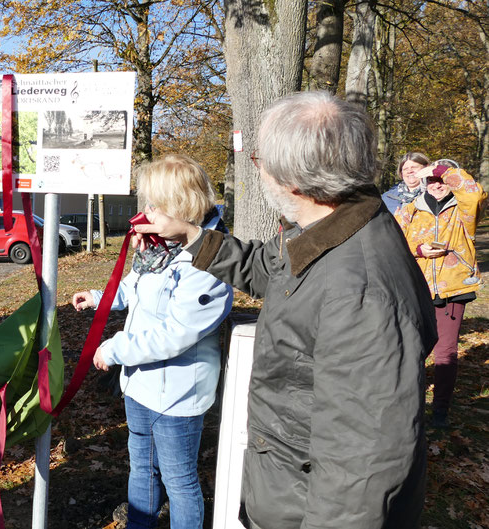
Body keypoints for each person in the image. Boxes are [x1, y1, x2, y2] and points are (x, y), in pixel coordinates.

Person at [132, 91, 438, 528]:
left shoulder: (361, 294)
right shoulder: (331, 226)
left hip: (307, 509)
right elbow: (265, 270)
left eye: (257, 159)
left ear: (293, 181)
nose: (256, 168)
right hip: (285, 490)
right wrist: (191, 236)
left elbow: (363, 471)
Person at [71, 154, 232, 529]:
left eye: (154, 204)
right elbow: (136, 286)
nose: (146, 212)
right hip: (141, 385)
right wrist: (100, 297)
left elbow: (176, 333)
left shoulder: (210, 260)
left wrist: (114, 348)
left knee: (179, 482)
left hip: (177, 394)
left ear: (181, 205)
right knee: (141, 469)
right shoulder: (160, 247)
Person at [396, 160, 485, 428]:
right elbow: (395, 240)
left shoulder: (464, 211)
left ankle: (440, 412)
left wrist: (444, 169)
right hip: (418, 288)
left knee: (446, 351)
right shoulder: (410, 210)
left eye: (442, 180)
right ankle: (409, 406)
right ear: (424, 183)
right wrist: (420, 250)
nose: (437, 185)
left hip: (454, 289)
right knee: (414, 350)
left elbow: (475, 193)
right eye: (432, 181)